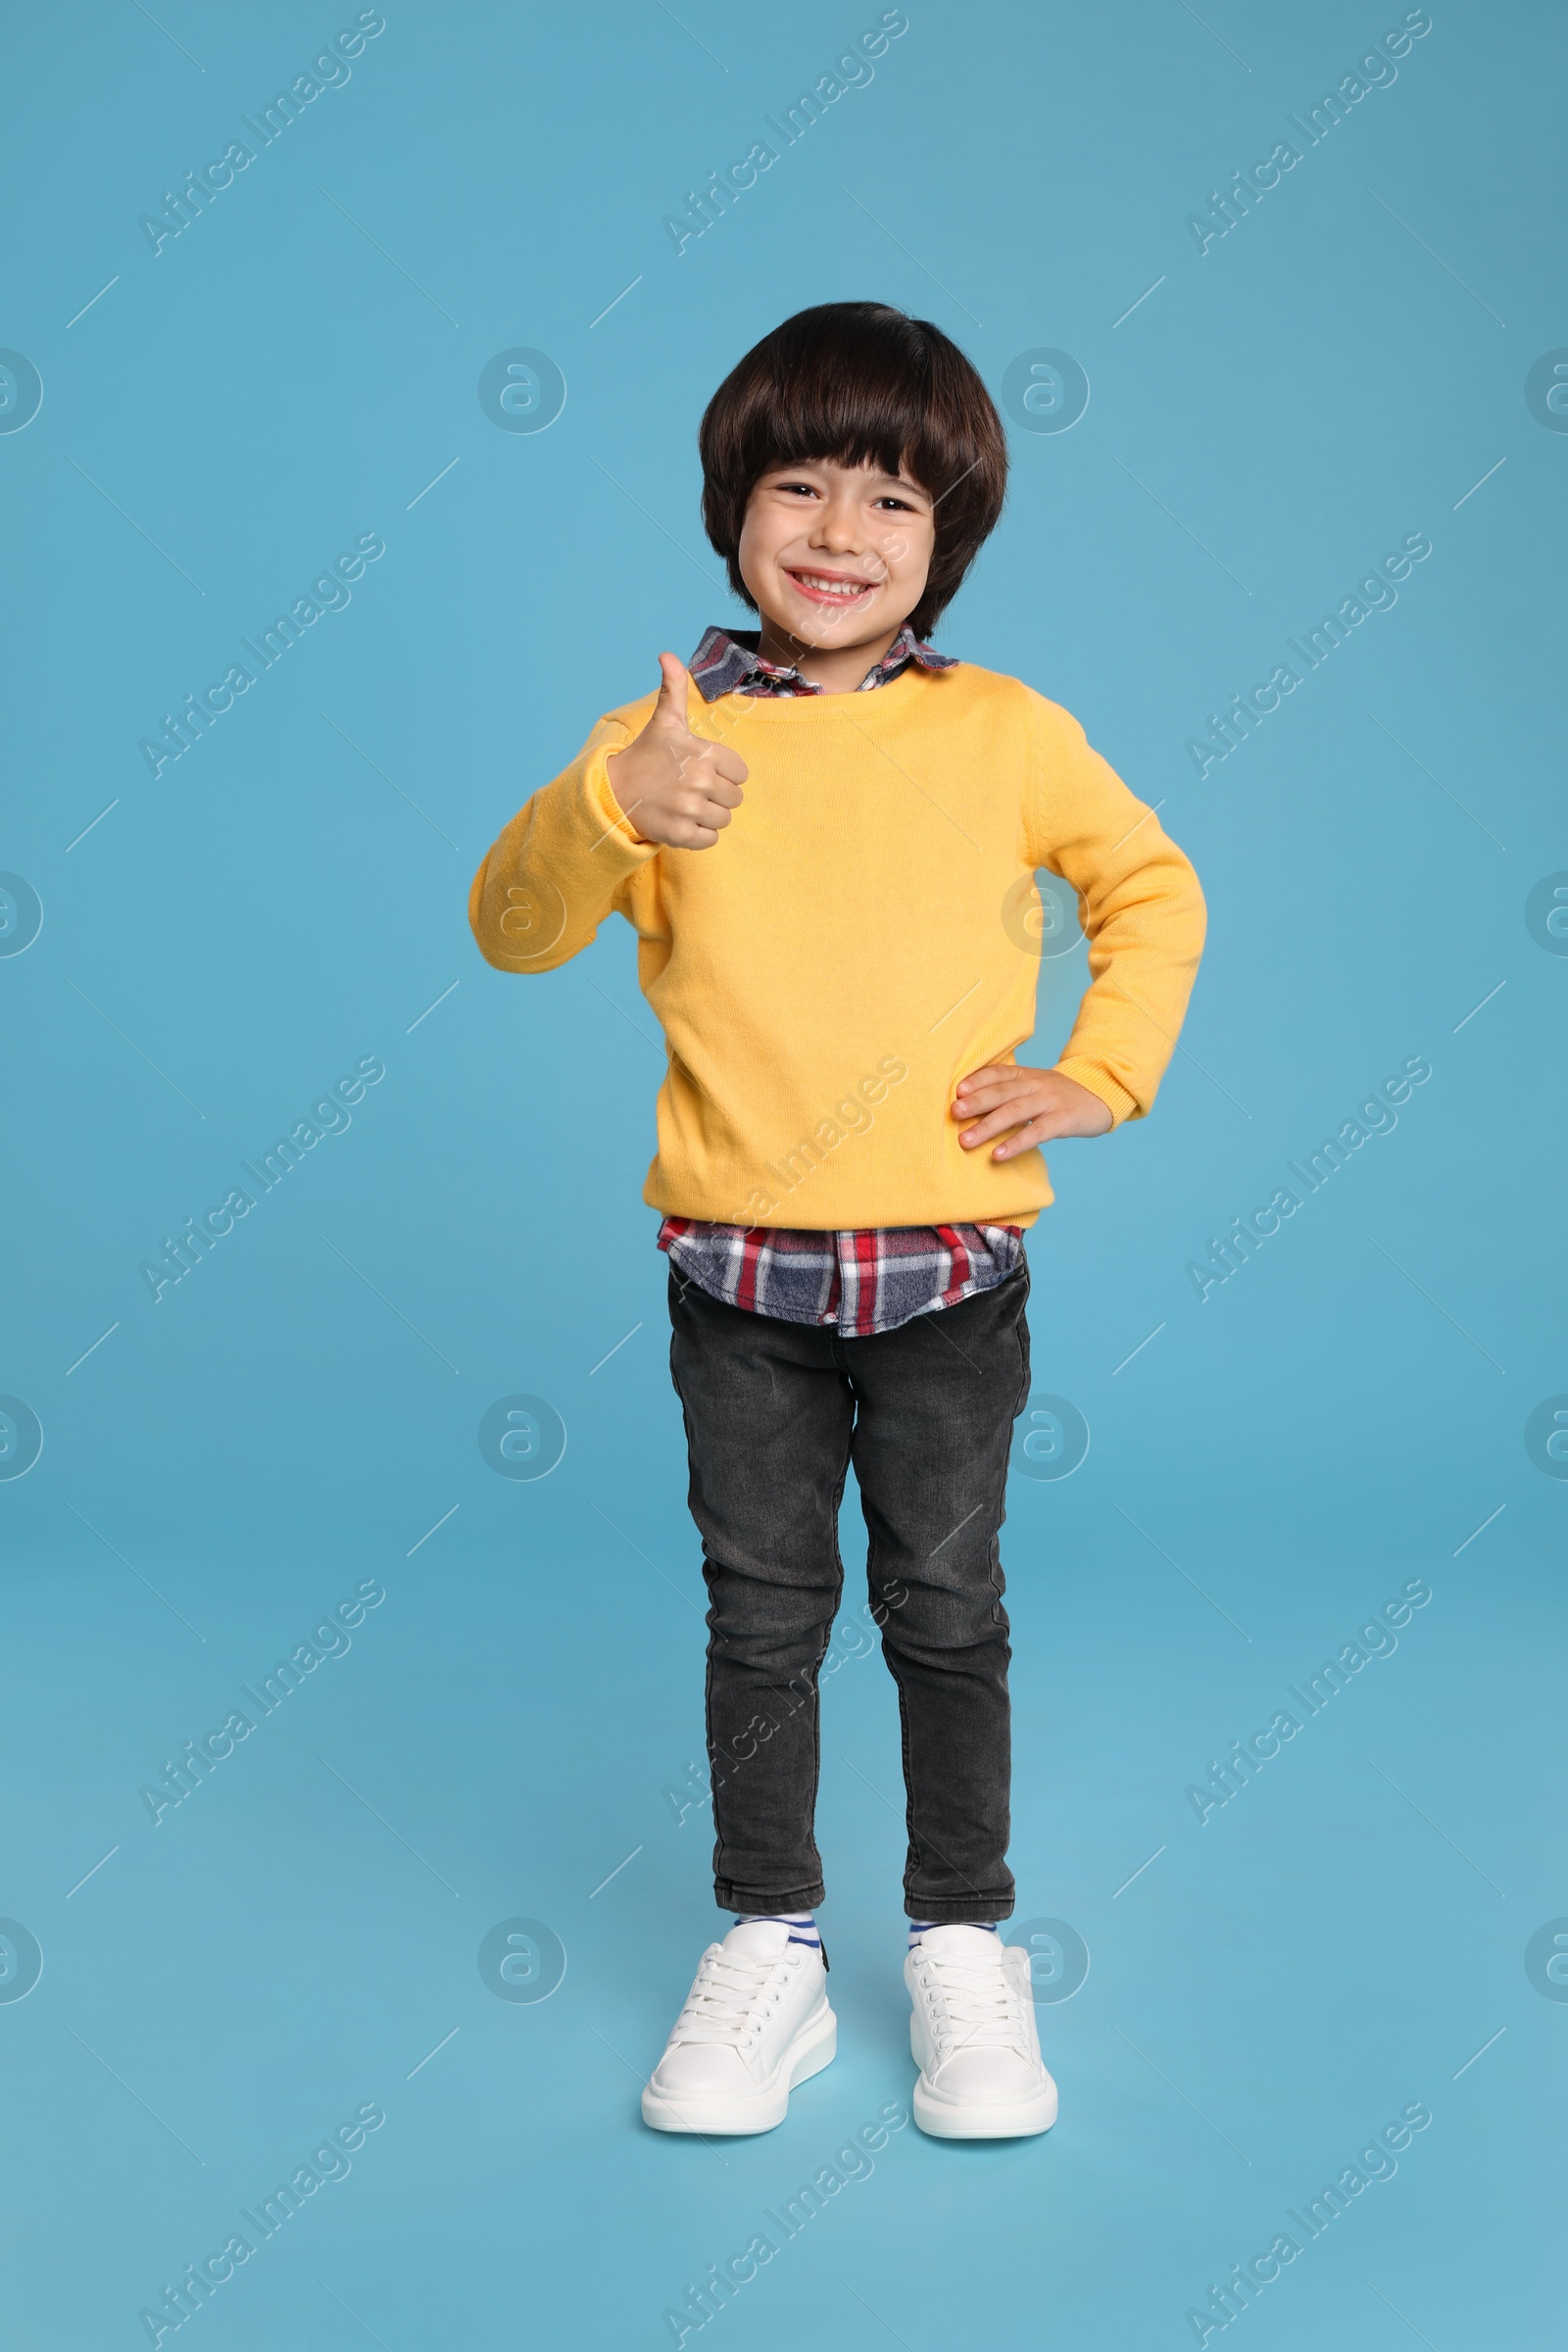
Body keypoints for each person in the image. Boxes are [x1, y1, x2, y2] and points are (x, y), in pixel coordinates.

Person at [468, 301, 1205, 2139]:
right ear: (732, 512)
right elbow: (511, 924)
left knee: (947, 1611)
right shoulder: (666, 742)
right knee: (762, 1615)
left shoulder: (1005, 732)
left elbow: (1150, 886)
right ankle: (772, 1946)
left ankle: (963, 1941)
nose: (836, 531)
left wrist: (1101, 1074)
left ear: (946, 540)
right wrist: (604, 803)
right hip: (742, 1285)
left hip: (950, 1274)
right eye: (796, 485)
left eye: (889, 498)